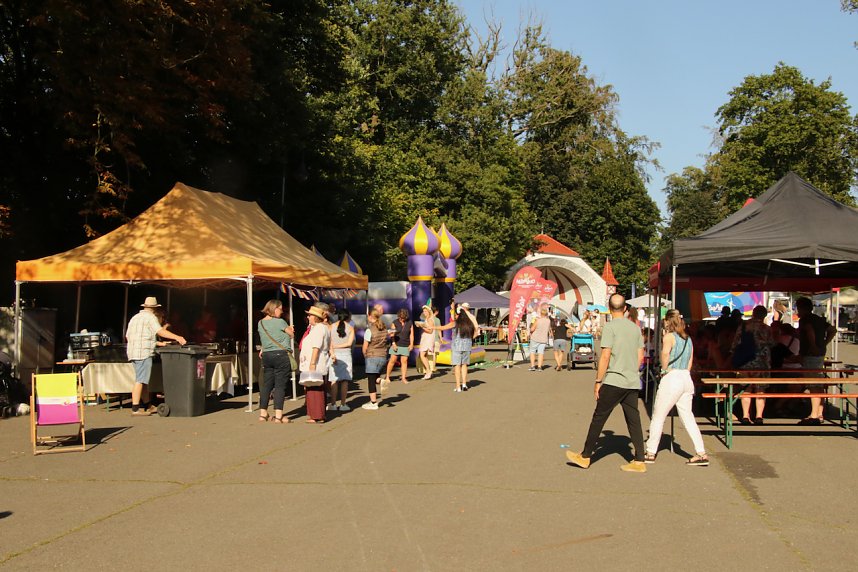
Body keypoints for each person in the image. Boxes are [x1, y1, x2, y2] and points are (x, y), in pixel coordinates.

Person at [566, 294, 647, 473]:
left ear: (609, 309)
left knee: (599, 417)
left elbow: (605, 355)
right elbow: (640, 357)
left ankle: (585, 456)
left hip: (614, 379)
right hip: (632, 381)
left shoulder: (610, 327)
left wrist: (598, 381)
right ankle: (639, 459)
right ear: (625, 308)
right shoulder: (635, 329)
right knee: (634, 420)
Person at [643, 310, 709, 466]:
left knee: (658, 416)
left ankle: (651, 451)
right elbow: (690, 362)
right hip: (686, 377)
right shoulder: (688, 339)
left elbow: (665, 354)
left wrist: (664, 370)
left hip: (672, 378)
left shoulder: (668, 337)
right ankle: (701, 452)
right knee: (688, 417)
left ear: (668, 322)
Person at [125, 297, 187, 416]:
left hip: (133, 351)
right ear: (155, 308)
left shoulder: (135, 318)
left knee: (143, 380)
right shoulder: (150, 317)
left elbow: (130, 336)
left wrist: (158, 343)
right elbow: (160, 331)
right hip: (143, 352)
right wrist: (177, 337)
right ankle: (135, 408)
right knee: (140, 380)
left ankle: (148, 405)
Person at [795, 297, 837, 425]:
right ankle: (819, 412)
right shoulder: (819, 319)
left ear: (801, 308)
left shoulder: (805, 320)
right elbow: (833, 330)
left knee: (813, 384)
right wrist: (824, 343)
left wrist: (813, 345)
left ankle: (813, 415)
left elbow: (809, 330)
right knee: (818, 384)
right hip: (819, 354)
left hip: (810, 354)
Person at [731, 305, 773, 425]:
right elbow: (772, 343)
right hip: (762, 362)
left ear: (753, 313)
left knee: (746, 389)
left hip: (745, 362)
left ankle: (745, 415)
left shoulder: (743, 326)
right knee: (760, 389)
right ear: (764, 315)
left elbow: (735, 344)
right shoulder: (767, 329)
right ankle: (759, 416)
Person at [257, 299, 294, 423]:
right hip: (281, 355)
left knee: (266, 385)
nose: (282, 311)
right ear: (274, 308)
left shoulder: (260, 323)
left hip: (267, 355)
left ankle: (263, 413)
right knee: (280, 386)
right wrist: (290, 329)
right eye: (280, 308)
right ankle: (278, 416)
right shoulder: (281, 322)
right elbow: (292, 334)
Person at [435, 304, 479, 392]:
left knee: (457, 366)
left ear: (457, 315)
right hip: (467, 346)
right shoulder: (469, 324)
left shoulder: (455, 323)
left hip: (456, 347)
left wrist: (431, 327)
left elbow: (443, 327)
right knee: (464, 366)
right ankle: (464, 384)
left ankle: (458, 386)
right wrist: (470, 339)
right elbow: (476, 332)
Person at [300, 305, 331, 423]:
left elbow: (316, 347)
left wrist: (312, 363)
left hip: (316, 363)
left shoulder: (319, 329)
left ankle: (316, 415)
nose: (308, 317)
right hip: (318, 362)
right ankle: (318, 414)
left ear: (315, 317)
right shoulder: (320, 328)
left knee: (314, 389)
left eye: (310, 315)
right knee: (315, 388)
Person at [361, 308, 388, 410]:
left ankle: (373, 403)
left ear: (370, 317)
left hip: (372, 356)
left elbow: (365, 346)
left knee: (371, 380)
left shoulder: (369, 330)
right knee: (376, 376)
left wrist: (365, 355)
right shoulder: (384, 328)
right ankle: (381, 380)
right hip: (383, 356)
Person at [328, 308, 354, 411]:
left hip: (334, 355)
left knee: (334, 380)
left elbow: (328, 343)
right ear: (348, 317)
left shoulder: (331, 327)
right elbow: (349, 343)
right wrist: (339, 346)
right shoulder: (350, 328)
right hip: (346, 355)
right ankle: (343, 404)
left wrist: (333, 351)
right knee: (345, 381)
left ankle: (333, 404)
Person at [384, 308, 414, 384]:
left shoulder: (409, 322)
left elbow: (411, 334)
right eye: (400, 317)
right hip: (396, 343)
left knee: (404, 361)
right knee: (392, 361)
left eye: (403, 318)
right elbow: (392, 334)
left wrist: (411, 344)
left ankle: (403, 378)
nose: (401, 319)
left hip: (406, 344)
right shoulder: (395, 322)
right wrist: (393, 344)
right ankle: (387, 377)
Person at [416, 303, 439, 380]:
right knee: (423, 355)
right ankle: (428, 371)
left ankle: (428, 371)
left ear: (429, 312)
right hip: (425, 338)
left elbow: (430, 331)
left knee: (422, 355)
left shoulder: (430, 319)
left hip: (428, 339)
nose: (424, 313)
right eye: (424, 311)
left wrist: (422, 326)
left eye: (426, 311)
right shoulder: (427, 319)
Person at [528, 305, 551, 371]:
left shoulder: (538, 320)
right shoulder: (548, 321)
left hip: (535, 338)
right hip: (543, 339)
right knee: (541, 353)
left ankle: (532, 366)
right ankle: (539, 367)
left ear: (540, 313)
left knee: (532, 351)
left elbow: (532, 329)